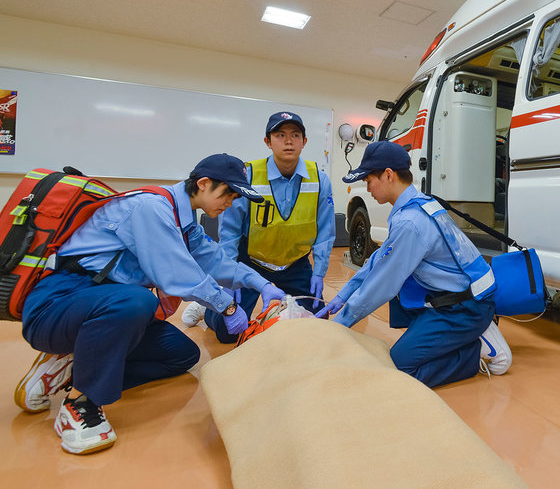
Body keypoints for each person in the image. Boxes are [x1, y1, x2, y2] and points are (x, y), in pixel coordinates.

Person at [14, 153, 285, 455]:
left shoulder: (184, 222)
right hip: (58, 303)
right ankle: (80, 403)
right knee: (137, 301)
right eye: (228, 194)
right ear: (204, 184)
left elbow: (215, 261)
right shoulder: (150, 209)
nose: (230, 204)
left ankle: (75, 364)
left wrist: (261, 283)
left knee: (181, 355)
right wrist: (228, 307)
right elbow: (177, 274)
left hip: (102, 305)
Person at [314, 141, 512, 387]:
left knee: (400, 370)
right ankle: (455, 334)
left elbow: (383, 283)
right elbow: (379, 259)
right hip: (457, 294)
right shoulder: (417, 203)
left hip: (465, 307)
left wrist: (339, 324)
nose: (368, 188)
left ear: (388, 175)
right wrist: (343, 295)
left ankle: (473, 351)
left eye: (368, 181)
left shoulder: (411, 222)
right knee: (401, 297)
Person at [183, 111, 335, 343]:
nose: (288, 141)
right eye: (280, 134)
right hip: (251, 260)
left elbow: (325, 231)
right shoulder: (249, 174)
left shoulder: (319, 179)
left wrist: (319, 272)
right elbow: (230, 232)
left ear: (304, 142)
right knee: (227, 333)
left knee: (316, 324)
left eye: (295, 135)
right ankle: (207, 310)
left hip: (295, 263)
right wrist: (228, 277)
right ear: (267, 141)